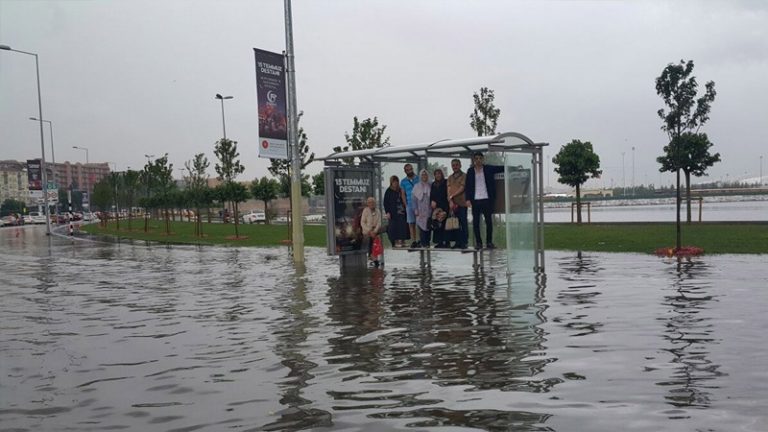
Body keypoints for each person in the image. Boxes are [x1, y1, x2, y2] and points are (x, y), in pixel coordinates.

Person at [465, 151, 504, 249]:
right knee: (476, 223)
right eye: (476, 159)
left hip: (486, 199)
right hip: (475, 200)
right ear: (474, 160)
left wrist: (514, 167)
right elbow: (468, 186)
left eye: (480, 158)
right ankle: (478, 243)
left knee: (488, 222)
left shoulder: (488, 168)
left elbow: (502, 168)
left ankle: (489, 242)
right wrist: (468, 199)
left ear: (483, 159)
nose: (478, 160)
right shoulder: (470, 171)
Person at [447, 158, 469, 249]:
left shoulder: (464, 176)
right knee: (455, 224)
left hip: (462, 203)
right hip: (453, 205)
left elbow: (462, 188)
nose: (455, 167)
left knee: (463, 223)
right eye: (453, 165)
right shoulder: (450, 178)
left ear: (460, 165)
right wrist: (450, 200)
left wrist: (452, 195)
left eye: (456, 165)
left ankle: (464, 242)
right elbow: (448, 190)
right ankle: (457, 242)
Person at [383, 175, 410, 248]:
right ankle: (396, 241)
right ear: (391, 182)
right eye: (394, 182)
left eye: (396, 181)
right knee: (394, 227)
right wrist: (387, 212)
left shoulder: (401, 190)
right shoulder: (388, 191)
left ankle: (403, 241)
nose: (395, 183)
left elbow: (405, 199)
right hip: (393, 212)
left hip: (402, 211)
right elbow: (385, 203)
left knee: (403, 226)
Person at [412, 169, 432, 248]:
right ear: (420, 176)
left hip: (429, 209)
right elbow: (413, 199)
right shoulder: (417, 186)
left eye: (425, 175)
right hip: (420, 210)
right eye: (422, 175)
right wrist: (415, 209)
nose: (424, 176)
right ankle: (423, 243)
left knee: (428, 226)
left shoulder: (430, 185)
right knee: (421, 226)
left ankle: (427, 243)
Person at [430, 168, 450, 248]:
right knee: (438, 225)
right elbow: (431, 195)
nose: (438, 175)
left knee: (445, 224)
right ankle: (440, 242)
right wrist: (432, 201)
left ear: (442, 174)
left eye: (439, 174)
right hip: (436, 207)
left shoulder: (446, 182)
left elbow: (448, 193)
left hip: (445, 205)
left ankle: (447, 242)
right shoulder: (433, 184)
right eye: (436, 174)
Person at [400, 163, 418, 248]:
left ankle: (420, 240)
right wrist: (406, 204)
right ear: (405, 171)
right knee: (411, 223)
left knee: (420, 223)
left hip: (419, 204)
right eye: (407, 170)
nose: (409, 171)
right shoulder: (403, 181)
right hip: (409, 204)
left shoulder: (418, 178)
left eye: (410, 169)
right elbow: (403, 193)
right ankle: (413, 240)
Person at [361, 196, 382, 267]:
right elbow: (362, 223)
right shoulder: (365, 211)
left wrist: (375, 231)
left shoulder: (378, 211)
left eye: (373, 202)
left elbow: (379, 222)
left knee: (387, 228)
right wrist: (369, 231)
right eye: (370, 202)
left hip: (375, 230)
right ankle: (371, 256)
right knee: (370, 238)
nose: (372, 204)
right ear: (367, 204)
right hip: (367, 231)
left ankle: (373, 256)